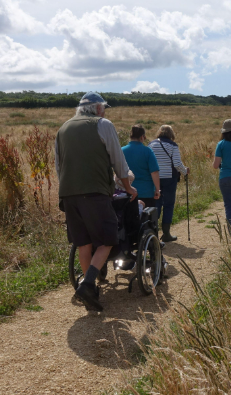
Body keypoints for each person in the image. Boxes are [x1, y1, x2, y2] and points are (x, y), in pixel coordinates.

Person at [55, 92, 137, 312]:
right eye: (104, 108)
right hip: (95, 192)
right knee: (107, 240)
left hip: (68, 193)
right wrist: (128, 188)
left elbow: (58, 166)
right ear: (99, 108)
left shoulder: (63, 128)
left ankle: (89, 292)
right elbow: (118, 161)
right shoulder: (103, 125)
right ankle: (88, 283)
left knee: (83, 243)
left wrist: (67, 190)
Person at [149, 125, 189, 242]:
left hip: (154, 178)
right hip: (169, 178)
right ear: (171, 134)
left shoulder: (151, 145)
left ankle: (153, 233)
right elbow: (177, 164)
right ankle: (166, 234)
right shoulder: (173, 145)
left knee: (156, 204)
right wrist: (185, 171)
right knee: (169, 204)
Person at [122, 124, 161, 207]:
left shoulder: (121, 151)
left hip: (127, 192)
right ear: (142, 137)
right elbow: (154, 172)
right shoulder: (148, 151)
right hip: (146, 193)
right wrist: (157, 189)